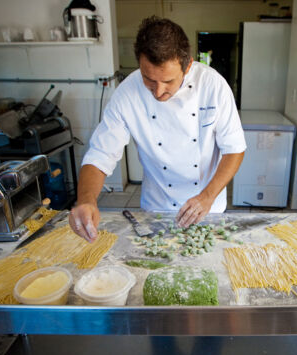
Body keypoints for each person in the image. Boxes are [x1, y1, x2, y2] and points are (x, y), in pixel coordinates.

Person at [69, 16, 246, 242]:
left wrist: (207, 197)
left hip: (207, 206)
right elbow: (100, 154)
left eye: (168, 81)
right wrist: (86, 200)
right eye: (148, 79)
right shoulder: (127, 93)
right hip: (156, 207)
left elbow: (234, 149)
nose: (158, 91)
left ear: (188, 65)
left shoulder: (213, 86)